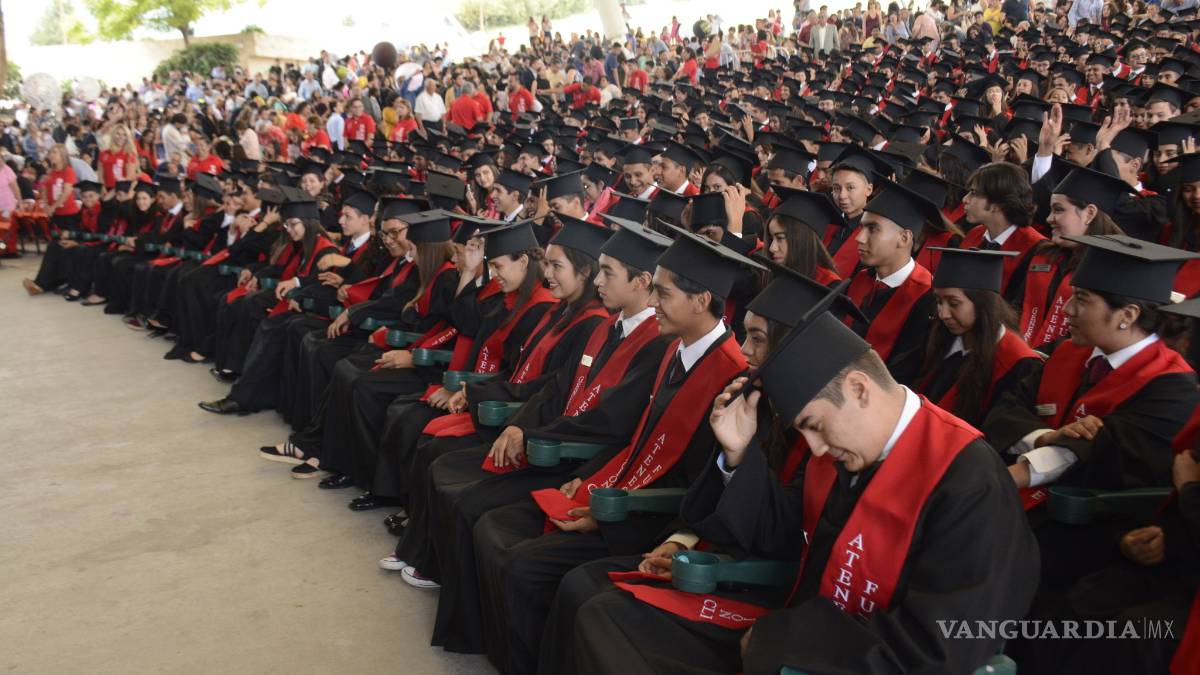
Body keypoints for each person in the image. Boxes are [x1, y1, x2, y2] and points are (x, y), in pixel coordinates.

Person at [558, 281, 1039, 674]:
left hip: (845, 658)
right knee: (610, 619)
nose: (815, 449)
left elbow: (943, 644)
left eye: (813, 425)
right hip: (796, 626)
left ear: (859, 389)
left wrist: (785, 640)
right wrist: (739, 454)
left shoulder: (968, 480)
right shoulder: (845, 449)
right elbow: (780, 532)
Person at [471, 229, 762, 674]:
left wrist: (611, 512)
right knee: (496, 528)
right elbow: (636, 438)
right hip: (620, 493)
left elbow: (697, 486)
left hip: (654, 519)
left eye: (663, 293)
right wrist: (590, 477)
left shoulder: (730, 378)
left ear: (701, 300)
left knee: (528, 567)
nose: (653, 302)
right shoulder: (675, 350)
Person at [983, 234, 1200, 588]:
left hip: (1094, 530)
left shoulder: (1173, 387)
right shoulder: (1068, 352)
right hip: (1029, 505)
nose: (1066, 310)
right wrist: (1046, 436)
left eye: (1082, 299)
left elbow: (1104, 452)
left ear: (1127, 315)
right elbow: (1007, 409)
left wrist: (1012, 474)